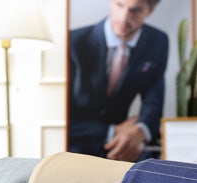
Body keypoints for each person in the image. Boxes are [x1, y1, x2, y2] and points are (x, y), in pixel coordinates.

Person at [68, 0, 168, 162]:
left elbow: (154, 102)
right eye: (119, 5)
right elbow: (61, 117)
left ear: (150, 10)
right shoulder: (73, 41)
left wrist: (139, 130)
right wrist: (114, 131)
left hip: (125, 149)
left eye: (134, 10)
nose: (124, 17)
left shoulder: (158, 41)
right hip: (76, 148)